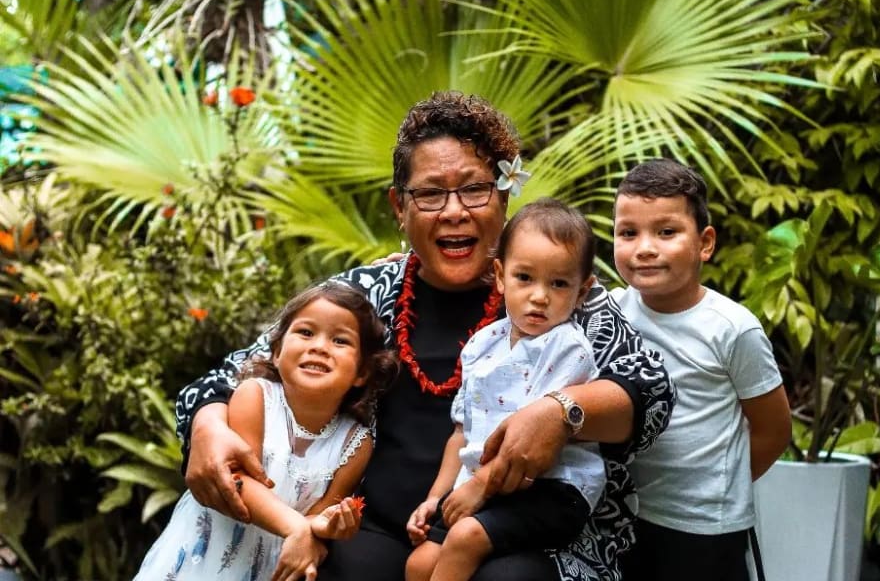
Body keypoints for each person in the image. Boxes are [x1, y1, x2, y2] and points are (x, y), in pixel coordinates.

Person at [174, 91, 674, 581]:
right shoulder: (363, 296)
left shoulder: (554, 292)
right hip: (377, 527)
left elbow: (651, 391)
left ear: (503, 197)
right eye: (431, 194)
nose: (454, 211)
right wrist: (207, 427)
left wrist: (563, 412)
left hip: (527, 530)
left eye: (475, 190)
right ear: (399, 206)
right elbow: (236, 372)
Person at [136, 281, 398, 581]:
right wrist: (296, 527)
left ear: (362, 372)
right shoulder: (255, 397)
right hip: (204, 553)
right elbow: (238, 480)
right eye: (306, 332)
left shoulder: (354, 443)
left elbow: (321, 513)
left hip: (269, 566)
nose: (319, 346)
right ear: (276, 352)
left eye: (340, 341)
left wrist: (327, 525)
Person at [405, 198, 606, 581]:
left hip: (552, 491)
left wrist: (480, 486)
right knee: (419, 563)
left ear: (582, 292)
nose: (539, 296)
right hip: (484, 487)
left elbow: (532, 445)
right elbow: (461, 434)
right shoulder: (482, 344)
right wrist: (436, 498)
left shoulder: (567, 348)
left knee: (465, 538)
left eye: (559, 283)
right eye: (524, 278)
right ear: (500, 276)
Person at [611, 159, 792, 581]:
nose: (645, 247)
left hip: (706, 527)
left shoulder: (731, 328)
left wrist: (720, 487)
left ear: (705, 243)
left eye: (666, 232)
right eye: (628, 233)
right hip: (628, 516)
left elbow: (773, 429)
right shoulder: (614, 311)